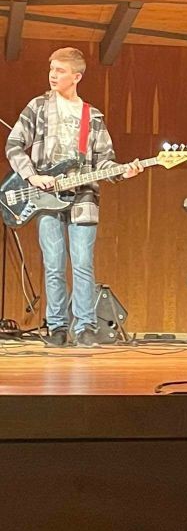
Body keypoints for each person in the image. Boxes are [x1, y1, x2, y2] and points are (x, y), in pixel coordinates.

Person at [5, 47, 143, 347]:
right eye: (52, 69)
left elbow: (104, 162)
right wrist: (33, 176)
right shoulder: (38, 107)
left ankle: (85, 328)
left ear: (77, 77)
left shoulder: (92, 116)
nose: (53, 75)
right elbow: (14, 144)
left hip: (84, 199)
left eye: (61, 70)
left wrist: (124, 172)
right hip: (45, 196)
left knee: (82, 264)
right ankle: (57, 327)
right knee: (53, 265)